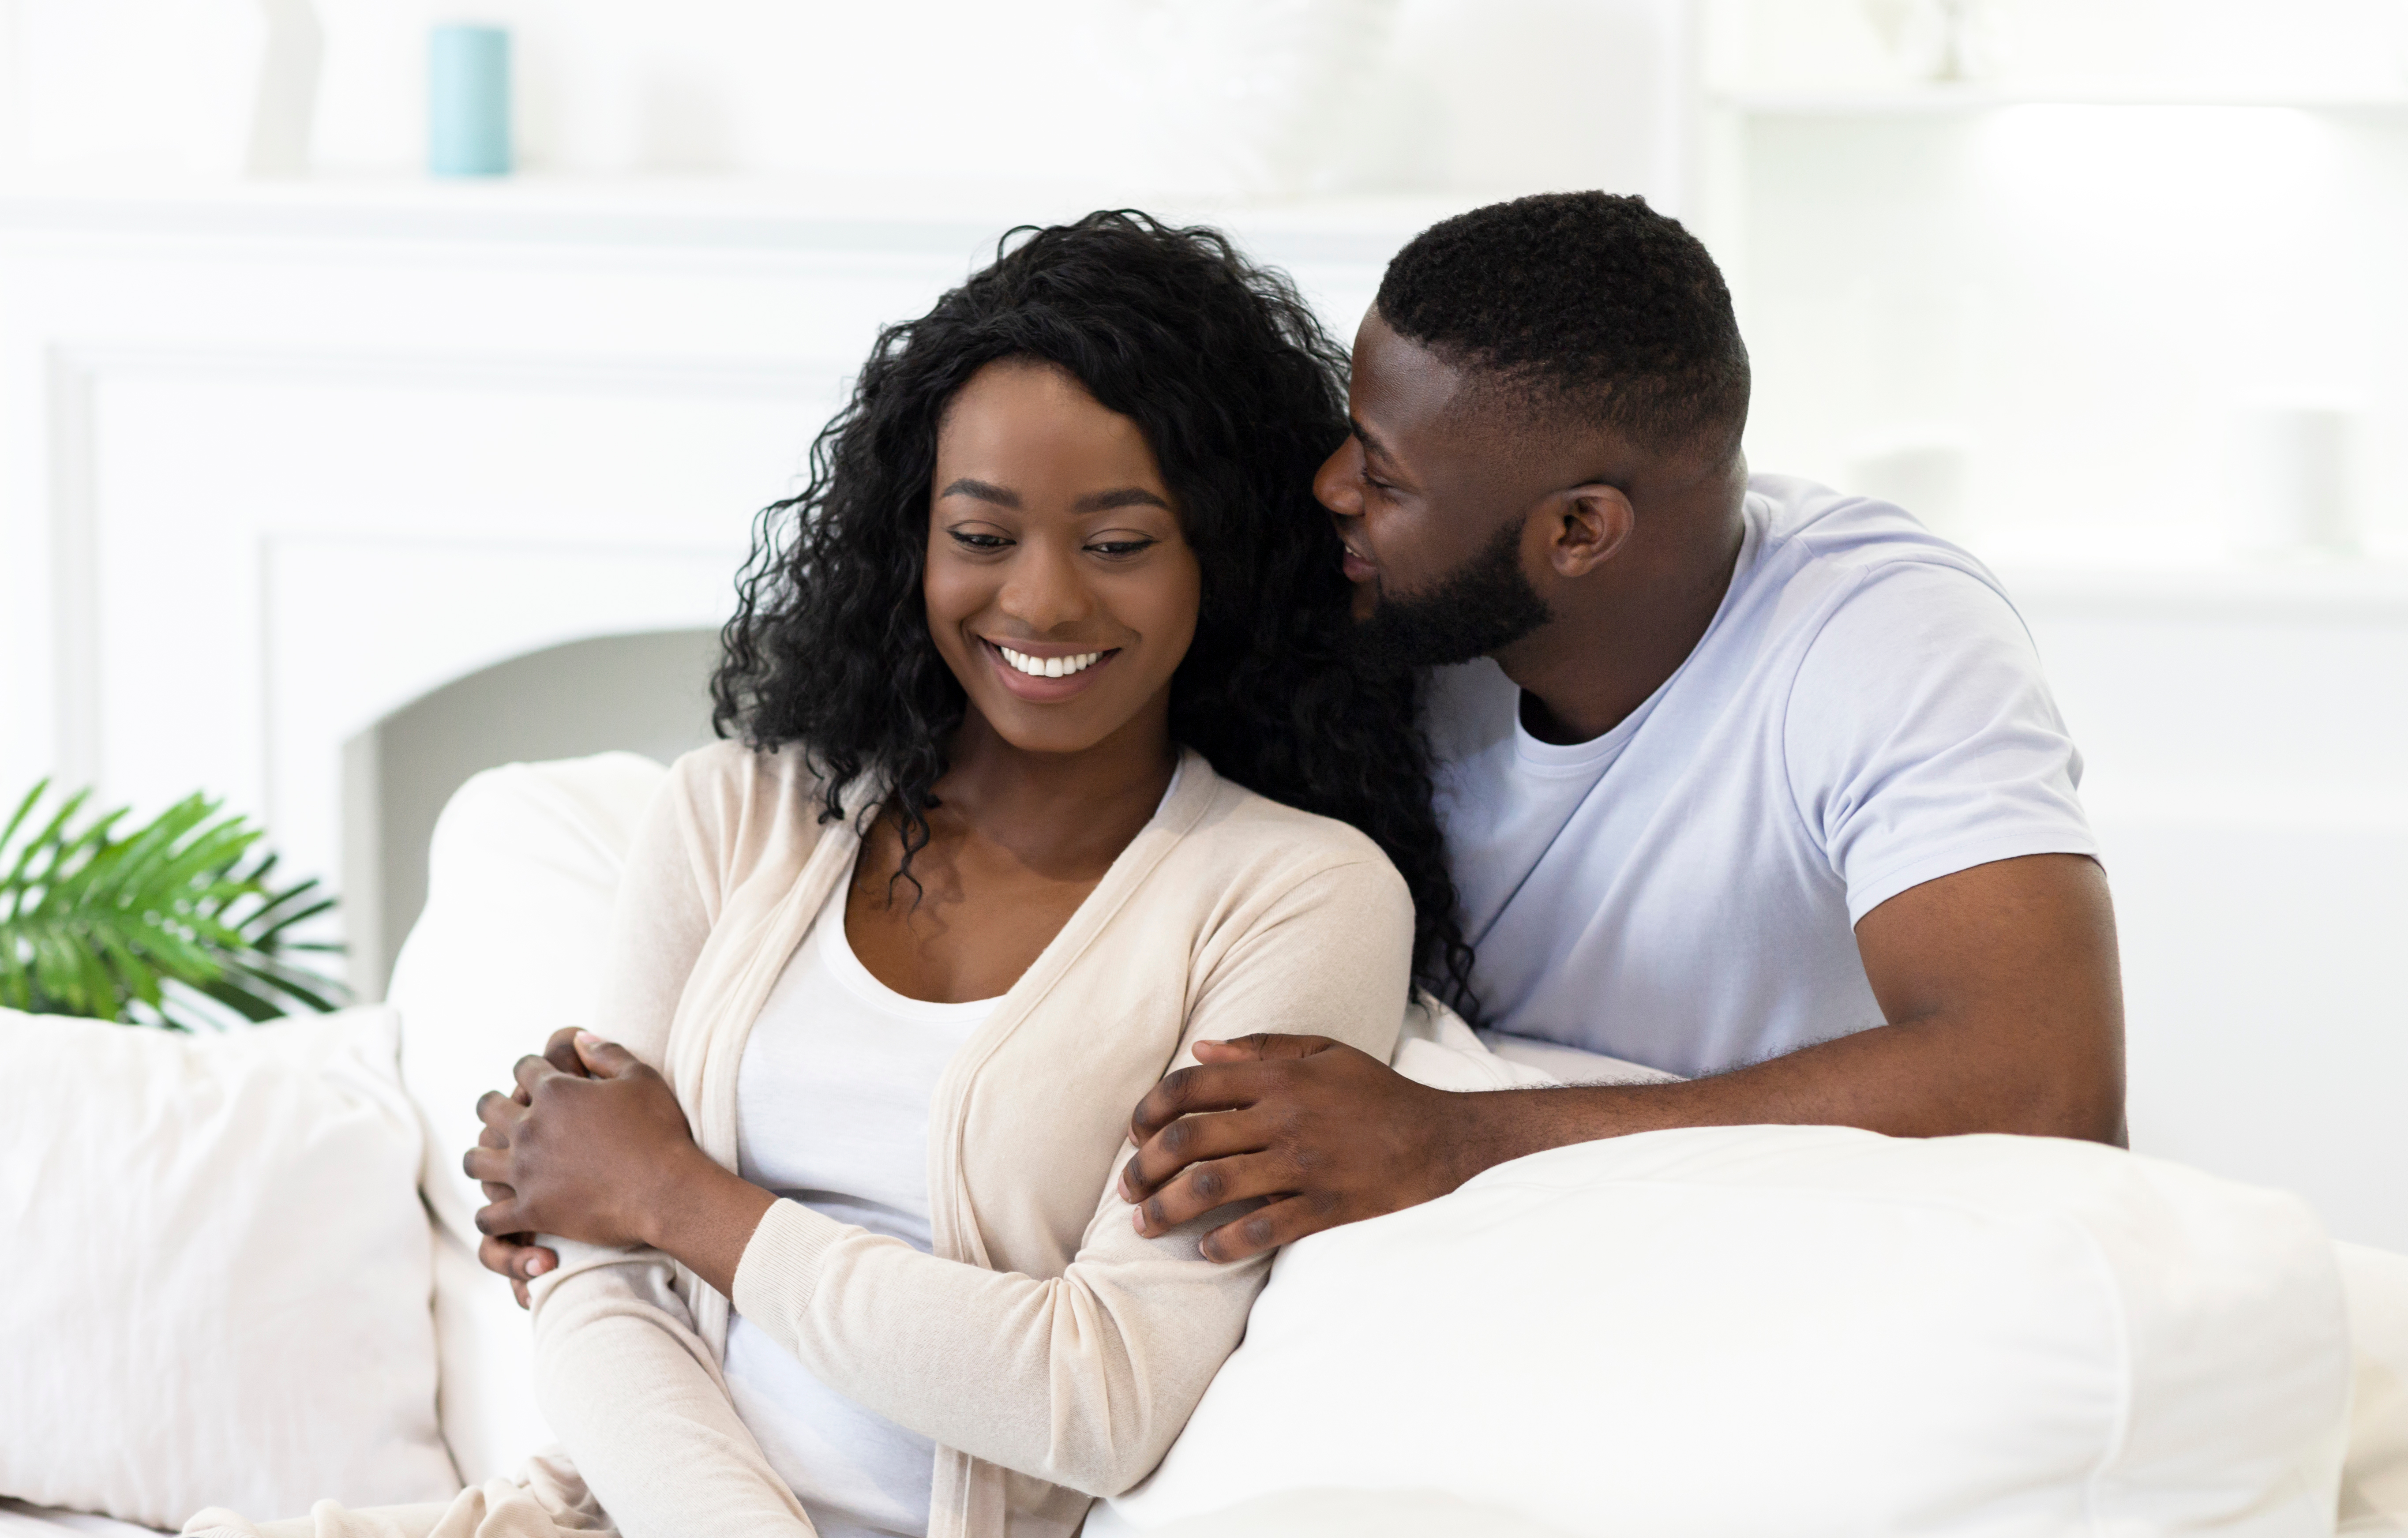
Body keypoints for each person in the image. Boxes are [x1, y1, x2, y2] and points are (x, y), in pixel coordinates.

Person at [189, 213, 1464, 1538]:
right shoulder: (735, 812)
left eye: (1117, 542)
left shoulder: (1295, 894)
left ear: (1225, 553)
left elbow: (1103, 1391)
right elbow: (586, 1269)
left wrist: (677, 1194)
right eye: (980, 535)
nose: (1040, 602)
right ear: (909, 540)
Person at [1114, 191, 2125, 1264]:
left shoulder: (1881, 637)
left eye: (1382, 473)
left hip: (1816, 1254)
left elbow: (2045, 1084)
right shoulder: (1386, 611)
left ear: (1578, 530)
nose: (1332, 488)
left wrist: (1461, 1140)